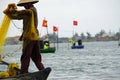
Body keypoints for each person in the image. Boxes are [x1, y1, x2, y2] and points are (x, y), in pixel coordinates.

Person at [3, 0, 44, 74]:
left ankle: (24, 73)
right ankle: (42, 70)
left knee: (25, 56)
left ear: (29, 3)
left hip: (29, 38)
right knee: (36, 57)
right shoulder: (31, 11)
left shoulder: (30, 11)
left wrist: (10, 10)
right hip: (35, 37)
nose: (24, 6)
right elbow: (18, 17)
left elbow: (18, 14)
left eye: (25, 5)